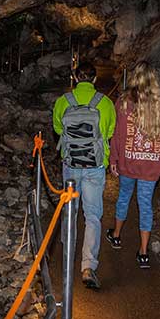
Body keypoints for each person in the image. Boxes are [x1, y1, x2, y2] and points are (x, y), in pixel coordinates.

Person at [52, 59, 116, 290]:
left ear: (76, 78)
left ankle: (67, 255)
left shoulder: (63, 101)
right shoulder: (105, 103)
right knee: (92, 215)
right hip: (95, 166)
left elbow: (58, 129)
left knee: (70, 210)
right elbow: (109, 132)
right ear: (95, 79)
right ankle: (88, 265)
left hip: (71, 164)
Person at [107, 62, 160, 269]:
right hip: (151, 165)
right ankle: (143, 252)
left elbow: (117, 135)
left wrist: (113, 159)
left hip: (129, 161)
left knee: (124, 196)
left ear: (134, 78)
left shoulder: (124, 102)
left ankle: (116, 235)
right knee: (145, 205)